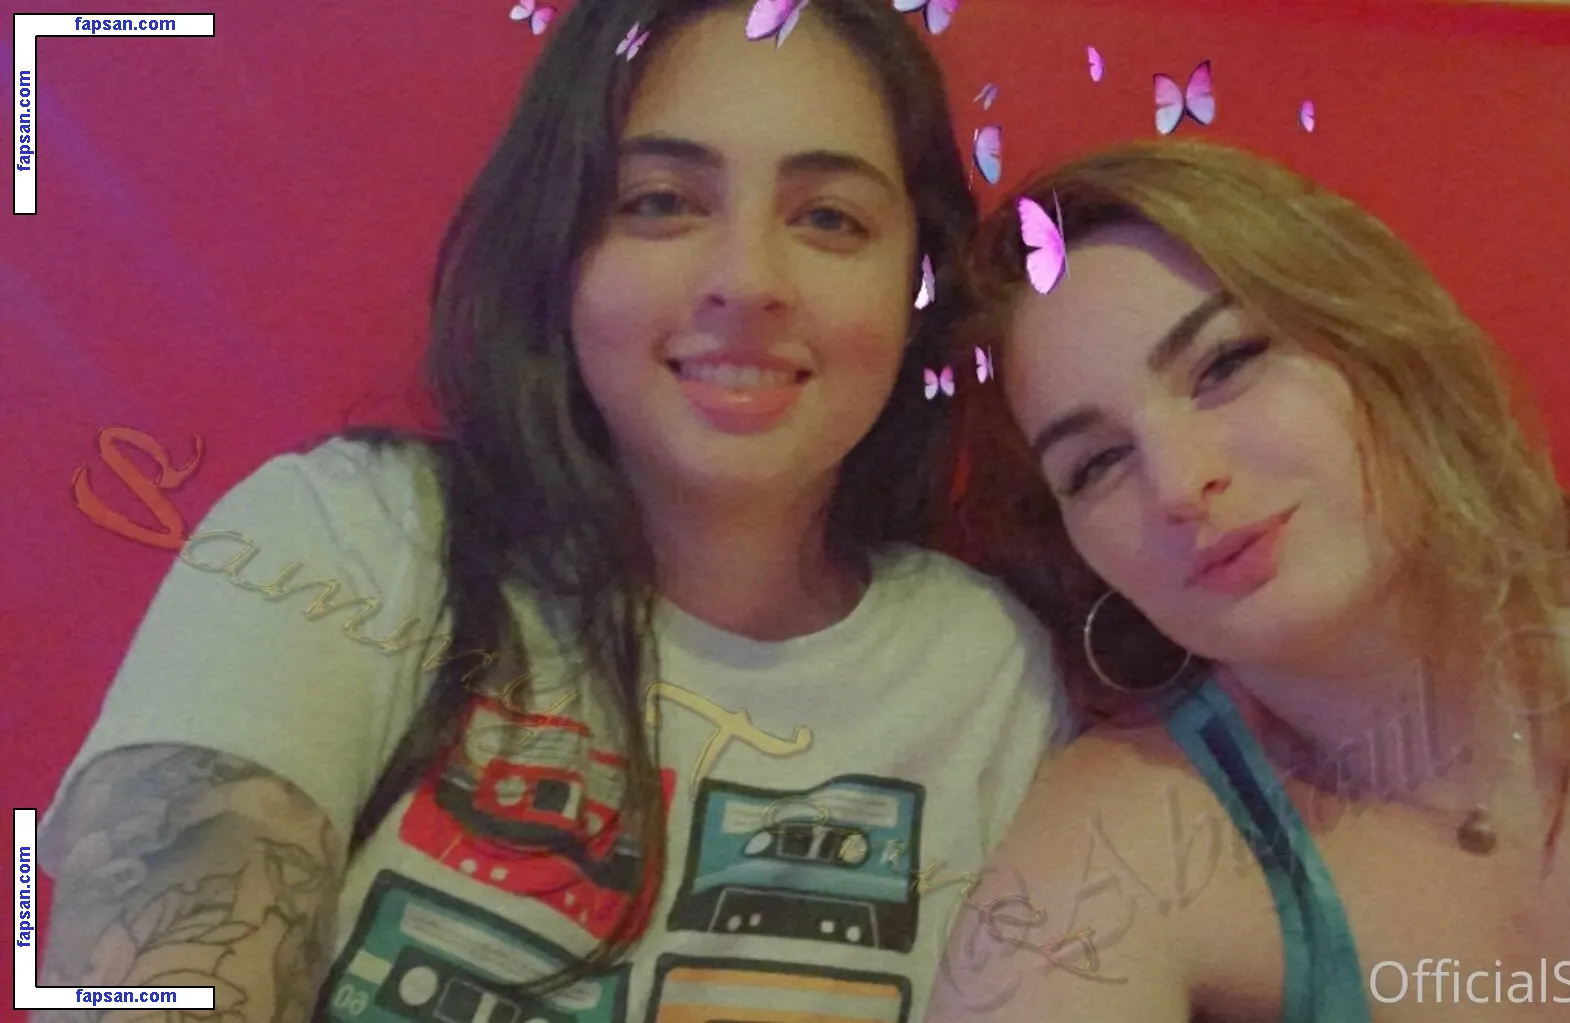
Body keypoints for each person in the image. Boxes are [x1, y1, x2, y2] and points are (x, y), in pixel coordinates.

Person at [36, 3, 1068, 1022]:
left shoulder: (990, 677)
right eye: (661, 202)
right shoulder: (351, 537)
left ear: (918, 284)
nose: (748, 281)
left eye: (830, 219)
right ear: (560, 247)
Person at [924, 138, 1570, 1021]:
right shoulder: (1121, 843)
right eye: (1096, 464)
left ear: (1378, 338)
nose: (1181, 485)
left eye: (1226, 364)